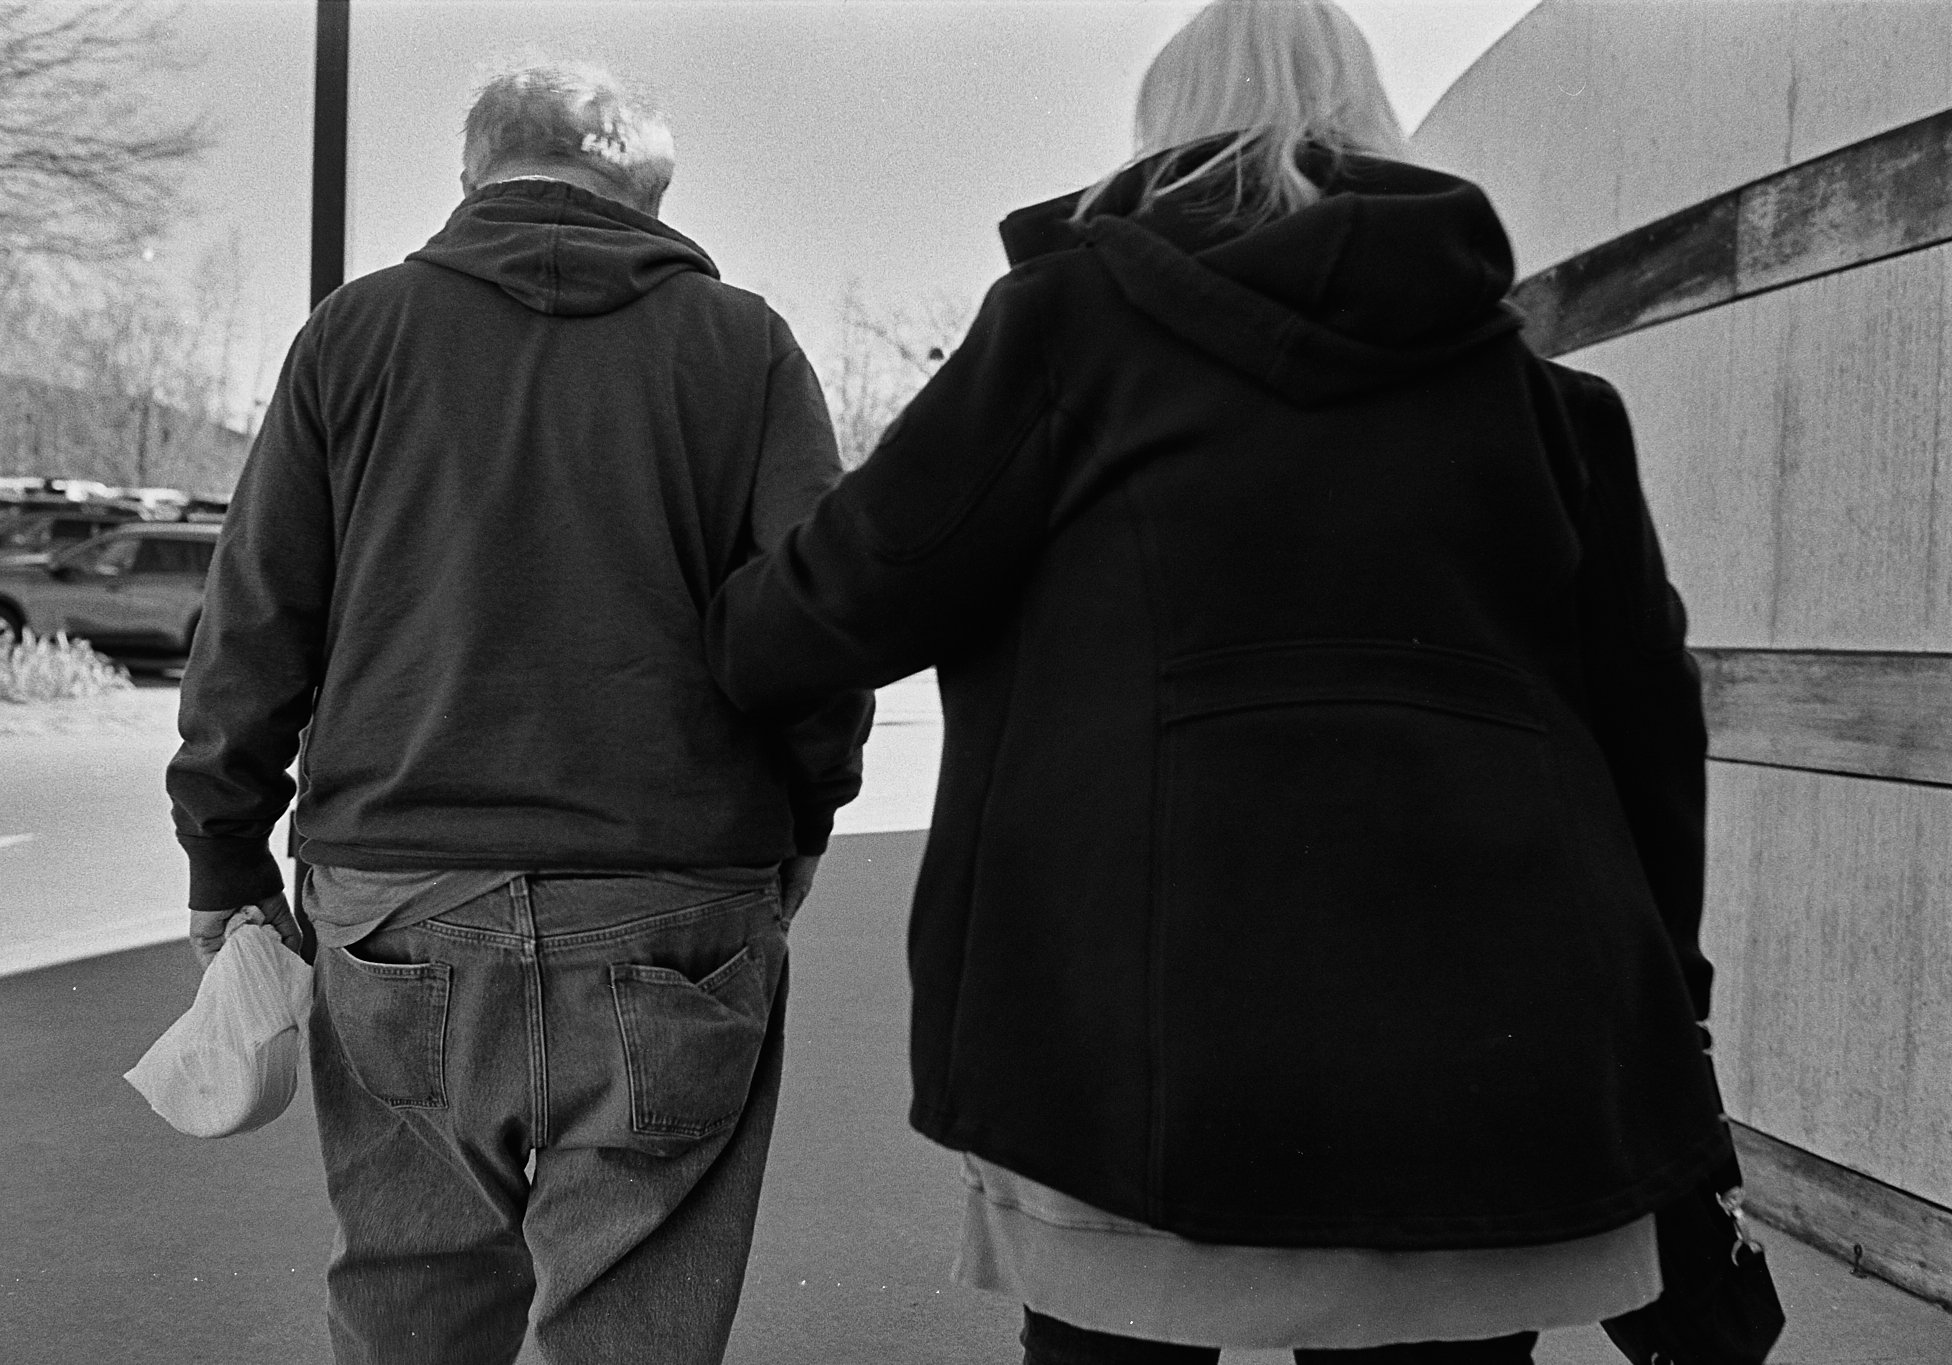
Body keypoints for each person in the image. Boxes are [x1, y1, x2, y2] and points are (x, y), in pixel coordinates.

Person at [705, 2, 1727, 1362]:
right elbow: (1651, 740)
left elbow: (849, 592)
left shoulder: (1064, 333)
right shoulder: (1544, 404)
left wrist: (707, 609)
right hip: (1490, 1067)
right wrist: (1667, 1017)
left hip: (1120, 1054)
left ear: (1164, 134)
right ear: (1373, 125)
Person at [167, 61, 870, 1365]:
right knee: (633, 1311)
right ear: (649, 187)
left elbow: (254, 620)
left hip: (401, 899)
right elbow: (816, 627)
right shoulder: (742, 346)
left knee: (411, 1295)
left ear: (475, 174)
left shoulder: (355, 335)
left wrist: (224, 855)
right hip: (671, 897)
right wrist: (804, 819)